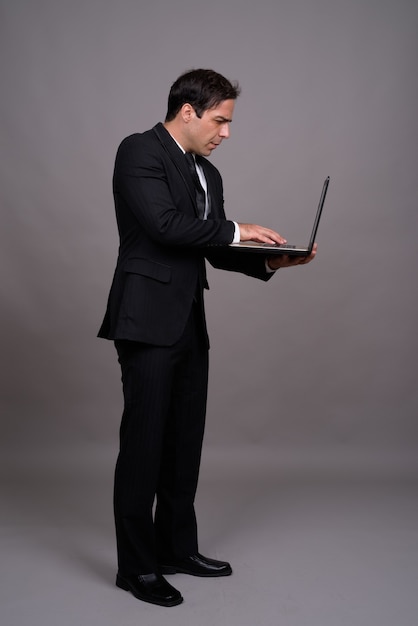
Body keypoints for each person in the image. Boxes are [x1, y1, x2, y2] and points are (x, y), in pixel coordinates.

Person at [98, 68, 316, 607]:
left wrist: (271, 260)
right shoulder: (139, 152)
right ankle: (137, 568)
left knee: (183, 444)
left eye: (230, 122)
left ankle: (177, 549)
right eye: (220, 120)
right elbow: (166, 227)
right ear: (188, 111)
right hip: (146, 321)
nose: (226, 132)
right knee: (144, 446)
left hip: (189, 322)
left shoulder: (208, 175)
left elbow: (211, 246)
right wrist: (239, 228)